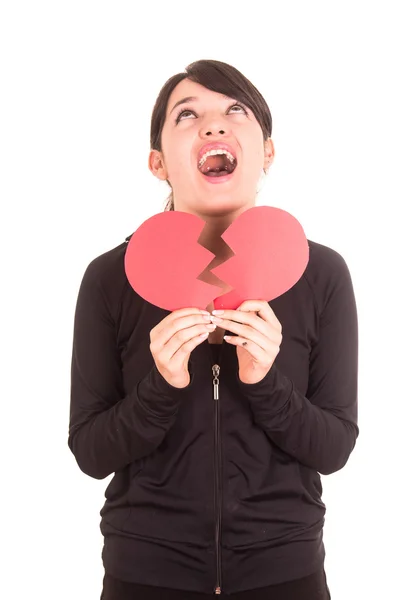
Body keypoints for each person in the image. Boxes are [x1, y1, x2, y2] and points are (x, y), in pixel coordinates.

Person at [68, 59, 358, 599]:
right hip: (144, 575)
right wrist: (162, 386)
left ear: (267, 150)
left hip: (286, 573)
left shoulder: (322, 275)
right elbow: (89, 451)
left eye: (235, 110)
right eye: (186, 115)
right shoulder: (110, 277)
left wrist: (265, 381)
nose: (214, 125)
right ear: (158, 163)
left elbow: (335, 447)